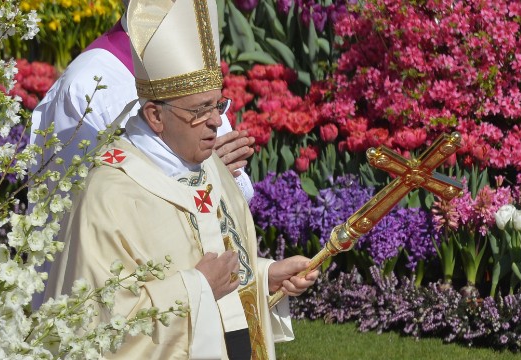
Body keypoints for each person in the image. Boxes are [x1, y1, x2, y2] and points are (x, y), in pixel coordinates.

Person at [44, 0, 318, 358]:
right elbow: (100, 322)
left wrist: (266, 276)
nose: (217, 122)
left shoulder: (209, 166)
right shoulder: (109, 194)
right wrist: (197, 286)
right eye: (199, 110)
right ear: (155, 116)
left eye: (217, 105)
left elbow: (218, 267)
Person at [29, 0, 255, 202]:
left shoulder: (191, 56)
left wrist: (215, 174)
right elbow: (80, 212)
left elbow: (235, 179)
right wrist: (201, 175)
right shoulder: (84, 86)